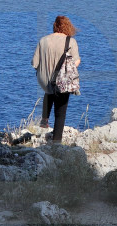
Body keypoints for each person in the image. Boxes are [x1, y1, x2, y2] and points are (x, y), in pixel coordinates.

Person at [32, 15, 81, 144]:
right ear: (68, 27)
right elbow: (76, 62)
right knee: (60, 111)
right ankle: (56, 142)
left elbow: (34, 63)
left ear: (54, 26)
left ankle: (44, 119)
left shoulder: (43, 40)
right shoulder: (71, 41)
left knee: (50, 89)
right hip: (62, 81)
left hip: (44, 80)